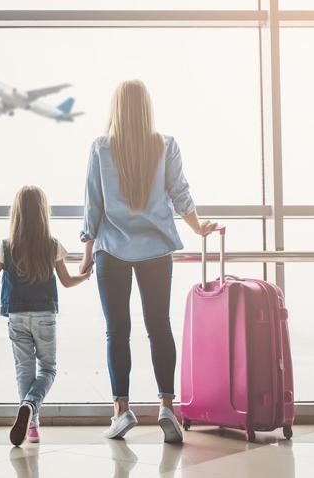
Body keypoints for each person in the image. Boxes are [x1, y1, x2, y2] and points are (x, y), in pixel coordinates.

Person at [79, 80, 217, 443]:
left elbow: (93, 206)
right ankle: (167, 407)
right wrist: (198, 227)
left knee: (117, 331)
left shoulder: (100, 148)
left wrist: (86, 251)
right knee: (159, 327)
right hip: (156, 249)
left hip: (112, 250)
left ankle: (121, 411)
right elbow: (180, 192)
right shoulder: (165, 145)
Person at [0, 185, 89, 446]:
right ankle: (31, 407)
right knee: (48, 369)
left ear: (17, 214)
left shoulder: (7, 247)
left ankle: (32, 426)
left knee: (24, 371)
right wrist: (86, 275)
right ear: (43, 213)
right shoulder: (53, 245)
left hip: (17, 316)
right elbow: (67, 281)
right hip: (45, 316)